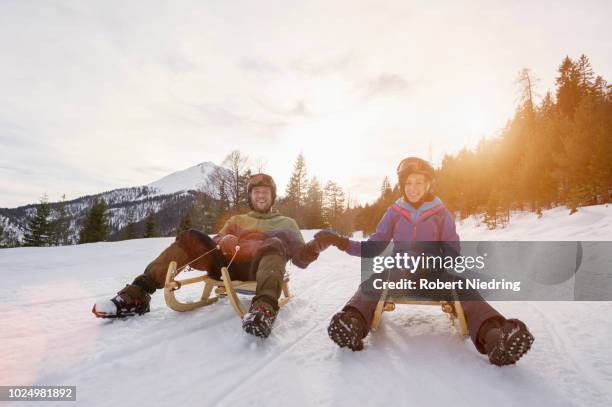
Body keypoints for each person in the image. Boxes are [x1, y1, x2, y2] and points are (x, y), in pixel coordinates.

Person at [315, 157, 535, 366]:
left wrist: (434, 260)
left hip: (433, 275)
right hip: (399, 274)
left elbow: (452, 253)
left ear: (429, 184)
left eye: (419, 182)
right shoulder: (394, 213)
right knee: (374, 283)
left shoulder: (441, 214)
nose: (413, 187)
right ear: (402, 185)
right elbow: (372, 247)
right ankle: (352, 323)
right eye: (408, 182)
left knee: (461, 286)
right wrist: (340, 242)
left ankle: (495, 338)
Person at [93, 173, 328, 338]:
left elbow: (300, 259)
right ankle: (137, 294)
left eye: (266, 192)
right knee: (191, 236)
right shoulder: (237, 220)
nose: (261, 195)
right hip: (227, 265)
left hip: (262, 268)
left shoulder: (286, 223)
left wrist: (316, 246)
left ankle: (264, 310)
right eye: (256, 191)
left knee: (274, 243)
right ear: (250, 196)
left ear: (272, 196)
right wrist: (223, 239)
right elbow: (216, 242)